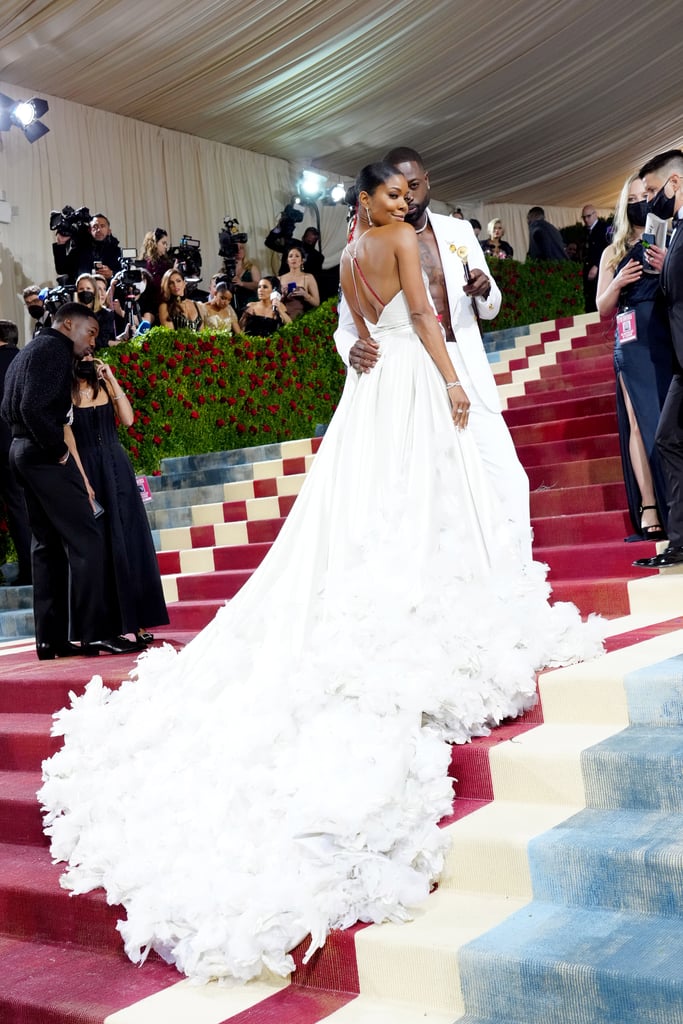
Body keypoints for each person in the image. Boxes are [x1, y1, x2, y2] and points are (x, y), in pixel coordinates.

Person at [38, 163, 603, 987]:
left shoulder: (346, 259)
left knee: (376, 499)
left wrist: (379, 346)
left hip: (370, 392)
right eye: (389, 193)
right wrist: (449, 381)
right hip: (411, 380)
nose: (403, 202)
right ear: (369, 199)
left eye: (405, 194)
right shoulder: (403, 242)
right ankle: (426, 602)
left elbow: (360, 330)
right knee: (423, 494)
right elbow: (418, 314)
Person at [335, 145, 531, 563]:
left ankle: (519, 571)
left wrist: (486, 290)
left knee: (507, 478)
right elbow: (348, 327)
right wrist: (350, 349)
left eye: (413, 187)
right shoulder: (372, 243)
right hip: (412, 371)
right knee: (431, 487)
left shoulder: (458, 233)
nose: (407, 198)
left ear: (428, 182)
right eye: (397, 191)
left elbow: (491, 305)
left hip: (462, 363)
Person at [0, 303, 136, 659]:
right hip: (43, 455)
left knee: (45, 547)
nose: (93, 341)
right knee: (87, 539)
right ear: (68, 324)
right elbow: (32, 408)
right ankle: (95, 634)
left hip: (19, 451)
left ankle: (51, 639)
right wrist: (58, 450)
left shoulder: (29, 350)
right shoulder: (53, 351)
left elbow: (7, 407)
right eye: (89, 332)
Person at [66, 354, 169, 647]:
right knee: (101, 545)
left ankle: (138, 623)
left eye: (91, 354)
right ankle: (106, 627)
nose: (88, 358)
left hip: (117, 466)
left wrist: (111, 379)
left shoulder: (104, 387)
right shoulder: (66, 393)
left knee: (131, 539)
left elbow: (128, 419)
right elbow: (69, 440)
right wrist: (82, 479)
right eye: (83, 355)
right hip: (88, 468)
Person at [596, 173, 671, 541]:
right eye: (637, 196)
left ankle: (676, 501)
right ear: (626, 203)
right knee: (640, 423)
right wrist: (618, 281)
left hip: (665, 335)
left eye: (649, 195)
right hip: (631, 341)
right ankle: (649, 504)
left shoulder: (667, 238)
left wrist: (666, 263)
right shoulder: (613, 250)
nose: (643, 201)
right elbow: (601, 308)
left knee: (667, 422)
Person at [634, 149, 683, 568]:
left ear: (674, 184)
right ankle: (681, 541)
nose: (649, 201)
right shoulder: (676, 230)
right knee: (668, 438)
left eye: (652, 190)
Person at [0, 320, 32, 585]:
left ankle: (29, 569)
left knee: (17, 509)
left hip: (3, 448)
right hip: (31, 443)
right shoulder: (25, 360)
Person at [53, 212, 123, 284]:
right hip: (82, 290)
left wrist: (112, 274)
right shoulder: (80, 249)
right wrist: (61, 244)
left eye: (102, 226)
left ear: (109, 231)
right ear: (89, 230)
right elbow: (61, 269)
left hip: (107, 291)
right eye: (95, 227)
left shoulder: (116, 251)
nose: (98, 230)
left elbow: (125, 273)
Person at [265, 221, 324, 287]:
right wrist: (279, 227)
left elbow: (316, 279)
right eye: (308, 237)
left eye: (311, 240)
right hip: (284, 283)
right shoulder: (291, 244)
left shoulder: (318, 257)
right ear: (303, 237)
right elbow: (269, 242)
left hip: (301, 287)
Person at [278, 244, 321, 319]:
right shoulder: (279, 279)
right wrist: (282, 296)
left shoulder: (308, 277)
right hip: (282, 317)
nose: (293, 258)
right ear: (287, 261)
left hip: (301, 318)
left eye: (297, 256)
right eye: (290, 256)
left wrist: (305, 295)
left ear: (302, 260)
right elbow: (271, 303)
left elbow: (317, 303)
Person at [75, 273, 117, 347]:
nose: (85, 292)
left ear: (94, 291)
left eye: (88, 288)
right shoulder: (73, 313)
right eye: (81, 289)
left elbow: (103, 341)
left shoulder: (106, 314)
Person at [581, 204, 609, 313]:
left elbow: (606, 249)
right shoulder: (586, 231)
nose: (586, 220)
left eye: (588, 216)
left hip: (600, 269)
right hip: (590, 268)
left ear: (595, 214)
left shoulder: (603, 228)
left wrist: (597, 265)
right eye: (584, 217)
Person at [230, 242, 261, 316]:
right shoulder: (226, 269)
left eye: (241, 248)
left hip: (250, 305)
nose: (238, 251)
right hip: (232, 306)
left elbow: (257, 285)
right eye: (236, 248)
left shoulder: (252, 267)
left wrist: (242, 283)